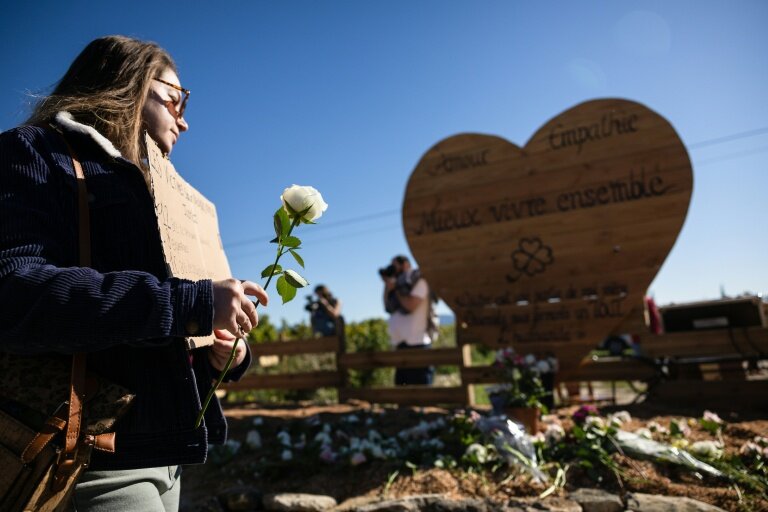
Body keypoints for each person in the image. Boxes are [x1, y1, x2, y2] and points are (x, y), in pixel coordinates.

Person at [0, 35, 268, 511]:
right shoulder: (34, 153)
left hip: (163, 457)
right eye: (174, 98)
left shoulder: (159, 190)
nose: (184, 119)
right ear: (128, 86)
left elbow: (149, 336)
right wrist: (191, 303)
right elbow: (15, 294)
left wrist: (215, 351)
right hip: (85, 461)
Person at [381, 255, 438, 385]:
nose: (393, 270)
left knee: (421, 393)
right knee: (403, 393)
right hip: (401, 345)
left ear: (406, 264)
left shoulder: (420, 281)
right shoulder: (398, 288)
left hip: (418, 344)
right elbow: (387, 307)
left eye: (395, 266)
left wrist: (395, 289)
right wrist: (387, 287)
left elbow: (410, 305)